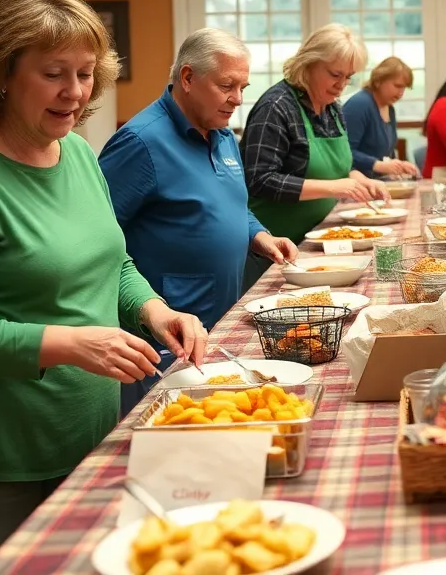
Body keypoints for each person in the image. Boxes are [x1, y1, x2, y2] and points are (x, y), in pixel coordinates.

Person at [0, 0, 206, 575]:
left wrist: (153, 309)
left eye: (86, 72)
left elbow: (109, 262)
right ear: (0, 74)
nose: (75, 92)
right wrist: (66, 342)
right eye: (53, 73)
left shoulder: (71, 153)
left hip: (83, 443)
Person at [100, 28, 300, 416]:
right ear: (187, 78)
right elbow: (97, 234)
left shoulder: (223, 134)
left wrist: (259, 235)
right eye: (227, 85)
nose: (238, 99)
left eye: (243, 86)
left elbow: (232, 206)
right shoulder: (140, 142)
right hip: (164, 337)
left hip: (221, 322)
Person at [240, 24, 388, 290]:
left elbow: (336, 167)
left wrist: (357, 177)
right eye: (335, 74)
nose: (342, 85)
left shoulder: (332, 108)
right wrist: (333, 187)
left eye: (348, 77)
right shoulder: (276, 107)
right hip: (274, 249)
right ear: (308, 63)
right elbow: (259, 179)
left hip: (315, 242)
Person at [342, 56, 419, 179]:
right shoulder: (359, 105)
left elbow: (386, 154)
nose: (401, 93)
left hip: (376, 182)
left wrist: (398, 165)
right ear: (378, 81)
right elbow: (343, 152)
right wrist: (377, 165)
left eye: (404, 88)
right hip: (355, 184)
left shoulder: (389, 108)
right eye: (397, 86)